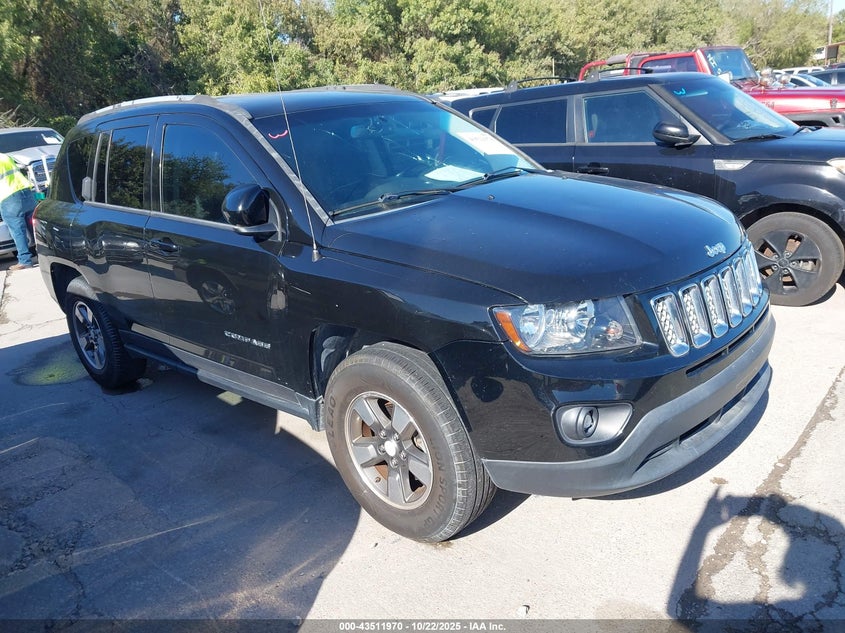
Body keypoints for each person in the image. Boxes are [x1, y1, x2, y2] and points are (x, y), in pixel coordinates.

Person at [0, 151, 38, 270]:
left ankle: (24, 260)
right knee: (35, 227)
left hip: (9, 197)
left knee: (17, 230)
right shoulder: (4, 156)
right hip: (26, 192)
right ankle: (44, 255)